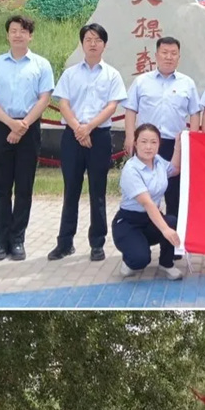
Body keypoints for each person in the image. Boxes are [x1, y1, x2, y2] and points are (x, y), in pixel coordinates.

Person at [47, 23, 127, 263]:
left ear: (105, 44)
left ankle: (97, 243)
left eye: (97, 40)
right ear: (82, 43)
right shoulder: (70, 74)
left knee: (97, 192)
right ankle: (65, 243)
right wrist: (78, 129)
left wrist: (89, 128)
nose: (93, 43)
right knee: (70, 190)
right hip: (72, 137)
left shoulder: (112, 74)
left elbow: (112, 106)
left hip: (99, 136)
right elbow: (63, 104)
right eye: (88, 39)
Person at [0, 15, 54, 262]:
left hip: (29, 128)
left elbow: (44, 99)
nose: (18, 35)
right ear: (7, 35)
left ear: (30, 36)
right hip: (2, 127)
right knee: (1, 189)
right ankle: (1, 242)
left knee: (24, 188)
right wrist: (10, 124)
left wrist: (22, 125)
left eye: (23, 31)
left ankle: (18, 240)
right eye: (13, 30)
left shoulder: (41, 65)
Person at [123, 36, 200, 217]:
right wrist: (130, 137)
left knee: (175, 193)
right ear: (156, 55)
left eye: (173, 53)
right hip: (146, 144)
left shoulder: (187, 83)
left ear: (179, 57)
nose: (169, 57)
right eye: (164, 52)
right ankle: (145, 229)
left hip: (175, 145)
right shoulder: (142, 81)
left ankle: (172, 232)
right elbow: (130, 110)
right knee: (145, 191)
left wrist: (192, 142)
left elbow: (195, 113)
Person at [112, 123, 183, 280]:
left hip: (150, 220)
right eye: (143, 142)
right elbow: (147, 203)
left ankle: (166, 264)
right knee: (140, 259)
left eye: (153, 142)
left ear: (159, 144)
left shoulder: (158, 161)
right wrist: (165, 230)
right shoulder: (131, 169)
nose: (148, 147)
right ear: (135, 143)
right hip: (129, 221)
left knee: (172, 221)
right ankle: (129, 259)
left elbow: (175, 169)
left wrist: (178, 145)